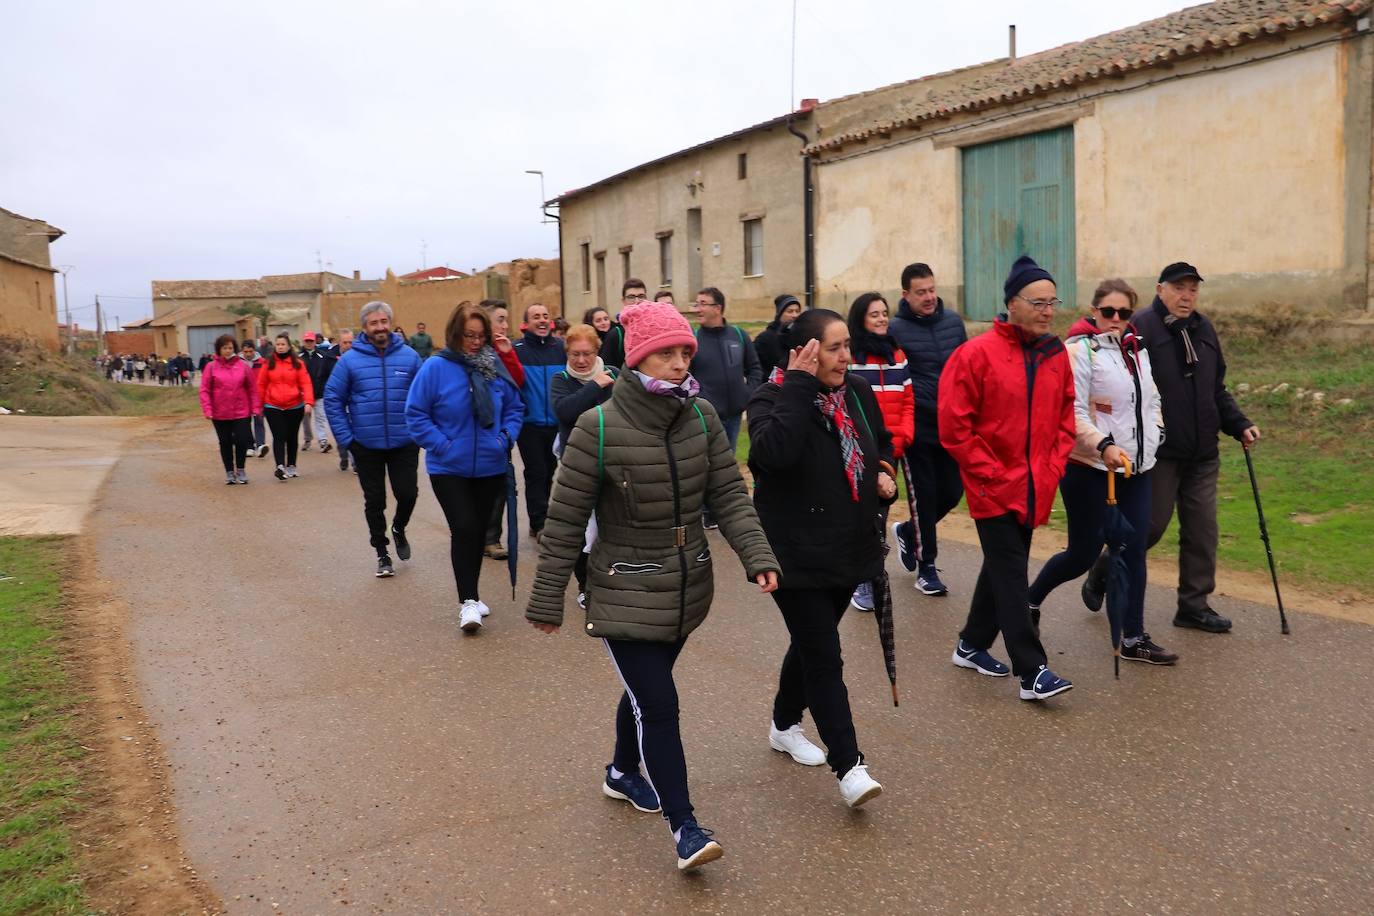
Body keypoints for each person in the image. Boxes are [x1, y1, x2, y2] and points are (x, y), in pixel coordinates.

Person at [525, 298, 780, 872]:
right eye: (665, 351)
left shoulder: (701, 417)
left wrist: (755, 554)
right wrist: (547, 600)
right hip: (620, 585)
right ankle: (685, 826)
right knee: (660, 702)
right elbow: (563, 520)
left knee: (646, 690)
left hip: (687, 585)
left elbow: (729, 496)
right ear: (638, 358)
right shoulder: (598, 427)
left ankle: (620, 771)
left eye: (684, 350)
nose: (678, 361)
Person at [748, 308, 892, 808]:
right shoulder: (770, 398)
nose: (845, 357)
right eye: (833, 348)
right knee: (825, 655)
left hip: (847, 548)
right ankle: (850, 766)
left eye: (847, 346)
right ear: (804, 353)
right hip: (792, 556)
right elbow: (773, 454)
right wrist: (798, 386)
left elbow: (881, 442)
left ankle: (784, 724)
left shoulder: (856, 393)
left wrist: (883, 473)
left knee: (811, 645)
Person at [1084, 263, 1260, 633]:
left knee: (1202, 531)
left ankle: (1193, 607)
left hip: (1202, 453)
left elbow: (1216, 389)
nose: (1187, 296)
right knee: (1148, 528)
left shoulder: (1204, 329)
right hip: (1160, 454)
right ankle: (1102, 571)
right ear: (1161, 289)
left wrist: (1239, 424)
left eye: (1193, 289)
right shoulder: (1142, 328)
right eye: (1179, 288)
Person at [939, 255, 1076, 702]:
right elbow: (954, 426)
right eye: (1038, 302)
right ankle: (1032, 670)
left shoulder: (1056, 355)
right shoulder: (975, 354)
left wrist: (1053, 467)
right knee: (1012, 572)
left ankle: (971, 643)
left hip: (1035, 484)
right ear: (1012, 303)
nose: (1047, 310)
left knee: (1003, 566)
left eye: (1052, 302)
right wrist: (991, 472)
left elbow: (1064, 419)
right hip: (991, 486)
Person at [1028, 280, 1175, 664]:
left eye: (1123, 313)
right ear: (1093, 311)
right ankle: (1030, 600)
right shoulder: (1078, 351)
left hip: (1136, 468)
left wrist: (1156, 434)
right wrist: (1104, 445)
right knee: (1082, 553)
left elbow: (1153, 399)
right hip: (1089, 468)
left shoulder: (1136, 349)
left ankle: (1133, 637)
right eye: (1107, 311)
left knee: (1133, 549)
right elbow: (1070, 412)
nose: (1115, 319)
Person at [405, 304, 523, 632]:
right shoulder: (435, 368)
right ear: (455, 334)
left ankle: (472, 594)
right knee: (465, 528)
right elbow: (416, 413)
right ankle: (468, 602)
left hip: (489, 466)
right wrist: (442, 444)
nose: (474, 342)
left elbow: (515, 408)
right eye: (468, 335)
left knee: (477, 531)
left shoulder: (493, 366)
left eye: (480, 336)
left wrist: (504, 438)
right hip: (448, 467)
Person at [324, 301, 423, 577]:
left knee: (408, 494)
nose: (379, 327)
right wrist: (347, 439)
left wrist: (420, 431)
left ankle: (399, 527)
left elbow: (425, 396)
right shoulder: (350, 361)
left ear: (390, 323)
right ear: (365, 327)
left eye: (383, 322)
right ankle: (382, 552)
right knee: (375, 500)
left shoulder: (410, 357)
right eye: (373, 323)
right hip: (366, 444)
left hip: (404, 442)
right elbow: (333, 399)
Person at [887, 263, 968, 597]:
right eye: (921, 292)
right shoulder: (894, 330)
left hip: (951, 424)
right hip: (916, 425)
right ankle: (927, 567)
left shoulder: (953, 323)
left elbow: (966, 367)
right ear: (906, 294)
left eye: (932, 289)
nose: (929, 297)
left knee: (952, 492)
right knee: (925, 496)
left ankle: (908, 532)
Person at [844, 292, 914, 613]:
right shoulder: (853, 356)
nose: (882, 318)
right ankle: (862, 577)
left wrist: (904, 436)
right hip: (859, 451)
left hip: (891, 450)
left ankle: (870, 572)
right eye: (874, 314)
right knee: (864, 514)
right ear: (861, 319)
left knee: (880, 513)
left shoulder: (897, 354)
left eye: (885, 313)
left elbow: (908, 399)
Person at [550, 324, 618, 605]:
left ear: (596, 351)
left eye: (587, 354)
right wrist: (594, 385)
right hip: (576, 462)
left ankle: (612, 580)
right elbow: (566, 412)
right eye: (575, 354)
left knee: (611, 525)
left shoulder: (614, 374)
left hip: (612, 460)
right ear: (567, 352)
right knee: (582, 528)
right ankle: (585, 585)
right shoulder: (561, 379)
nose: (581, 360)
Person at [513, 302, 565, 541]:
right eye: (536, 316)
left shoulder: (561, 348)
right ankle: (539, 522)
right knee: (536, 472)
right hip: (529, 424)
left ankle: (541, 518)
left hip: (555, 424)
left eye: (545, 315)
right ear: (527, 323)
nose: (542, 320)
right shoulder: (517, 349)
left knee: (550, 471)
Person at [688, 286, 761, 453]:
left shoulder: (738, 335)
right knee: (709, 464)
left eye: (703, 304)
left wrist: (748, 393)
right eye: (697, 304)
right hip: (707, 418)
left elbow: (754, 368)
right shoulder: (693, 340)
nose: (697, 309)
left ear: (717, 308)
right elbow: (687, 377)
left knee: (729, 462)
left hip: (734, 415)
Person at [480, 300, 526, 559]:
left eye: (506, 320)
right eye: (500, 319)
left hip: (499, 432)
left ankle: (491, 539)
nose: (505, 325)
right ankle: (474, 534)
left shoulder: (503, 350)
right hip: (476, 428)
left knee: (500, 485)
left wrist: (507, 354)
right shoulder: (473, 350)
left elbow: (518, 382)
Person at [199, 334, 260, 485]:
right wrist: (207, 409)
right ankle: (229, 472)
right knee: (225, 442)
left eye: (230, 348)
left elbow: (252, 389)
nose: (227, 351)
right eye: (224, 348)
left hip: (241, 411)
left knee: (241, 440)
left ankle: (240, 468)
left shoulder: (243, 366)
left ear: (235, 349)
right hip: (220, 413)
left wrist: (255, 407)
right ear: (219, 349)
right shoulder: (211, 367)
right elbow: (204, 390)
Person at [257, 333, 314, 480]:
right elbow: (261, 384)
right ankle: (280, 467)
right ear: (275, 346)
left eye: (283, 344)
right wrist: (259, 404)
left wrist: (308, 402)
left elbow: (306, 383)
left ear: (289, 346)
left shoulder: (298, 363)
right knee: (279, 435)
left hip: (295, 405)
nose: (280, 347)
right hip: (273, 405)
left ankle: (292, 465)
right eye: (278, 344)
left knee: (291, 436)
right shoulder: (268, 362)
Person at [298, 331, 336, 454]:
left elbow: (327, 373)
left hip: (319, 392)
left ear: (315, 342)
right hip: (304, 395)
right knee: (305, 419)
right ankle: (308, 439)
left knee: (320, 418)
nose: (309, 343)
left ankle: (323, 441)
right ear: (304, 342)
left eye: (311, 341)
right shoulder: (299, 357)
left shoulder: (322, 356)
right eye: (307, 341)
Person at [598, 279, 645, 369]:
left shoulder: (653, 330)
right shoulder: (616, 334)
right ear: (623, 301)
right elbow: (607, 369)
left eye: (641, 296)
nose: (637, 301)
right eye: (631, 297)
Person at [753, 293, 803, 378]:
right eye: (790, 311)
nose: (795, 315)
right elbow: (754, 366)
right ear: (779, 314)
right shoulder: (765, 339)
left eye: (797, 311)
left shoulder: (801, 336)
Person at [238, 341, 269, 458]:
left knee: (259, 421)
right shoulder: (237, 363)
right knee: (245, 423)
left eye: (250, 351)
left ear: (254, 351)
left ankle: (260, 445)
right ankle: (249, 446)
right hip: (243, 397)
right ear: (242, 351)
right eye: (245, 352)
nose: (248, 354)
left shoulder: (262, 362)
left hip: (258, 397)